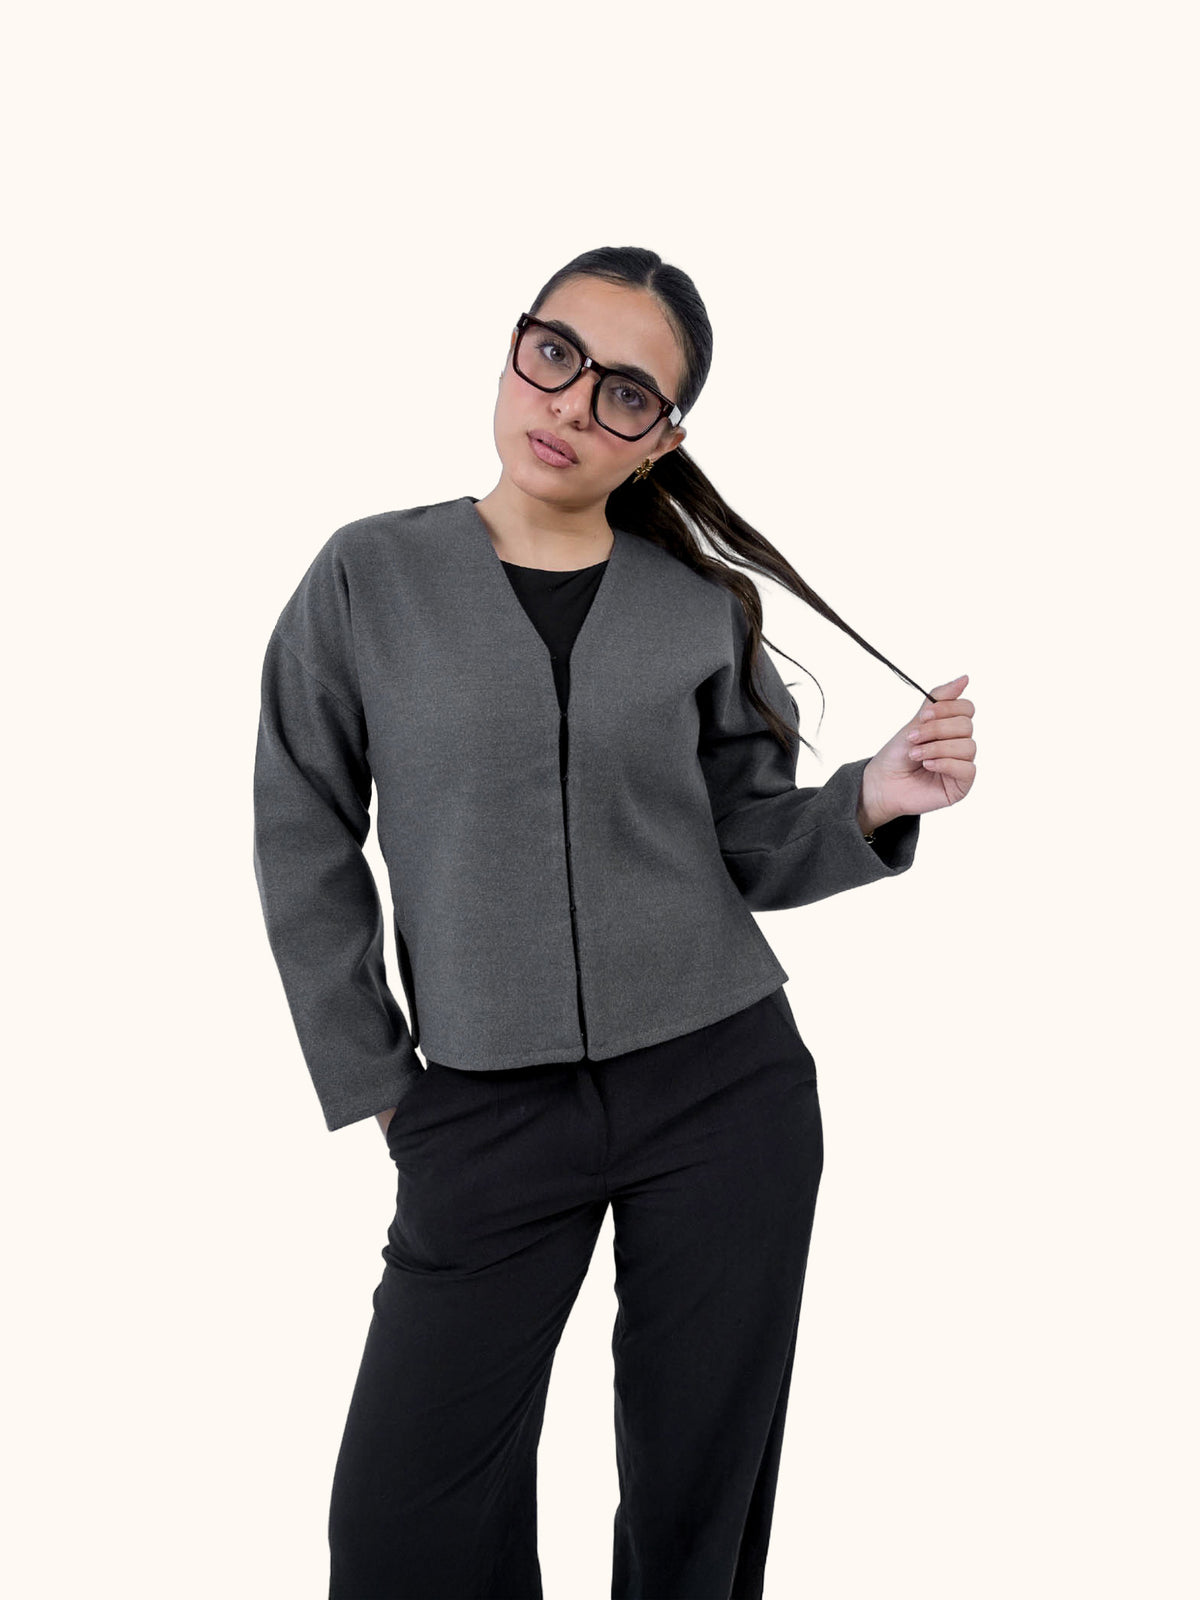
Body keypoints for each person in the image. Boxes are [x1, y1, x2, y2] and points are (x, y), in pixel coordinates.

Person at [251, 245, 977, 1599]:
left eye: (627, 393)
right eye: (557, 355)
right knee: (405, 1531)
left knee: (698, 1501)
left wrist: (871, 798)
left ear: (663, 440)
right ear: (516, 345)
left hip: (724, 1090)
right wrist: (383, 1082)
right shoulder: (368, 576)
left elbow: (743, 840)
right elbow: (302, 829)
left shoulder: (695, 610)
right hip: (480, 1106)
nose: (574, 404)